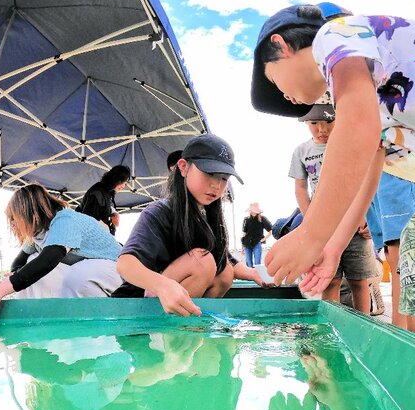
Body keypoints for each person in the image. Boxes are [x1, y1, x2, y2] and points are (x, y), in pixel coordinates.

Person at [251, 3, 415, 348]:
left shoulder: (334, 35)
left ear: (281, 45)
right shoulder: (370, 91)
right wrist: (332, 248)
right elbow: (366, 170)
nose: (283, 97)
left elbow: (357, 128)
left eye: (273, 79)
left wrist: (310, 236)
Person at [112, 133, 267, 315]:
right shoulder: (160, 211)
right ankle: (166, 333)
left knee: (224, 272)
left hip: (171, 301)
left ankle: (192, 326)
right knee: (203, 261)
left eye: (224, 178)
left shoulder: (207, 217)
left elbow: (225, 259)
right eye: (210, 173)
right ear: (184, 167)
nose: (217, 185)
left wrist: (256, 274)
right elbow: (125, 264)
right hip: (136, 307)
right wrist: (163, 285)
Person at [0, 184, 123, 319]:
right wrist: (16, 273)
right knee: (32, 261)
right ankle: (33, 321)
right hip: (88, 271)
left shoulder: (66, 220)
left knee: (77, 276)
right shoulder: (37, 232)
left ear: (31, 213)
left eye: (14, 218)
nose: (12, 224)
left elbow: (48, 260)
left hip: (120, 270)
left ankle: (93, 320)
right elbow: (19, 261)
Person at [290, 100, 376, 313]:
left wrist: (366, 216)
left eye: (329, 121)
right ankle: (332, 326)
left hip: (355, 225)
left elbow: (367, 180)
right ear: (306, 123)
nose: (322, 129)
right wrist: (312, 221)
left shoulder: (352, 145)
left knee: (359, 279)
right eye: (314, 123)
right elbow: (300, 188)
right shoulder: (301, 151)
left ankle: (363, 324)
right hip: (325, 228)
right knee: (329, 280)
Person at [366, 151, 415, 328]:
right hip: (370, 173)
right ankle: (401, 329)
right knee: (391, 255)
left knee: (404, 255)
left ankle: (407, 331)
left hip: (398, 168)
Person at [78, 165, 131, 236]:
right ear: (116, 179)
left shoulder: (108, 191)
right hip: (90, 237)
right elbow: (88, 216)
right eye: (123, 182)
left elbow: (103, 207)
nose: (123, 186)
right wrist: (104, 226)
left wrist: (113, 213)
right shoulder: (98, 191)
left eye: (126, 183)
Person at [241, 202, 273, 267]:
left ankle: (257, 277)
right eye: (251, 210)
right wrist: (242, 247)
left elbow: (271, 230)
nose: (252, 211)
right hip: (246, 244)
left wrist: (263, 239)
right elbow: (243, 234)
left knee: (257, 265)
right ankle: (251, 277)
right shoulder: (246, 220)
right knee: (249, 265)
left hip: (257, 244)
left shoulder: (262, 219)